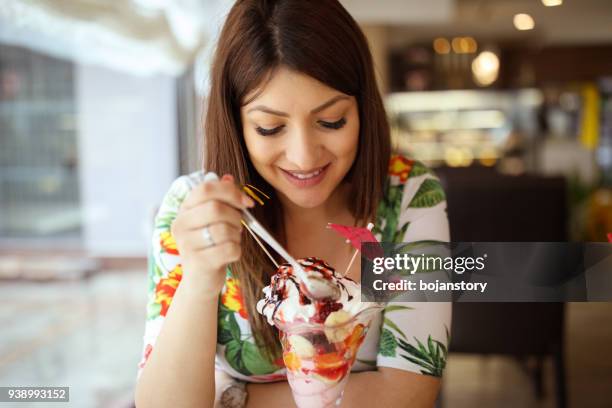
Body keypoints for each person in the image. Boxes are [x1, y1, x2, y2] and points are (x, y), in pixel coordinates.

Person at [134, 0, 451, 407]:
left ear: (362, 108)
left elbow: (409, 394)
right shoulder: (197, 210)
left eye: (331, 121)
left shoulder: (408, 194)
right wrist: (199, 280)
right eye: (270, 127)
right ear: (236, 123)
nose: (303, 157)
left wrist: (232, 398)